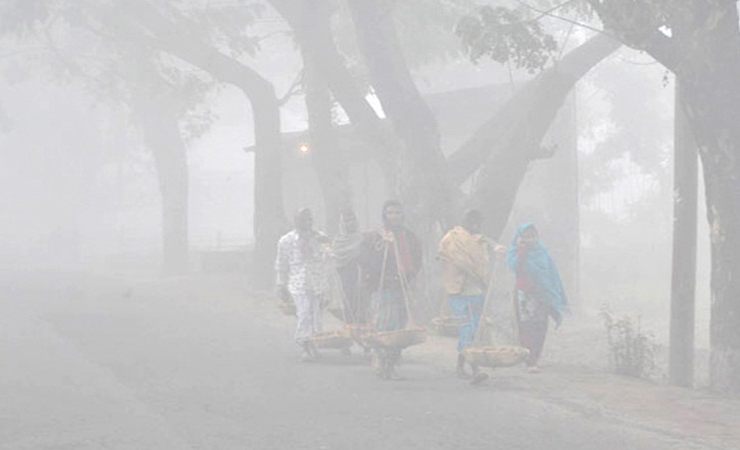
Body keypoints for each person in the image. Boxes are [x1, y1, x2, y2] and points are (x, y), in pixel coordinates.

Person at [361, 200, 422, 380]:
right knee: (384, 325)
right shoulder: (376, 237)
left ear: (403, 215)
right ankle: (380, 359)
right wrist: (385, 248)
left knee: (398, 329)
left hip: (402, 285)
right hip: (382, 286)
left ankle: (392, 363)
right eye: (390, 213)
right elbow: (367, 260)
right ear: (384, 215)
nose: (394, 216)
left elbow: (417, 259)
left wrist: (408, 277)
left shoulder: (409, 237)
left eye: (397, 213)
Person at [438, 209, 496, 383]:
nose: (474, 225)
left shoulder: (480, 242)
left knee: (475, 332)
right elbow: (445, 254)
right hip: (459, 292)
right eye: (471, 221)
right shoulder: (453, 238)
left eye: (477, 222)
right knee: (467, 331)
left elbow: (482, 265)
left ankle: (462, 366)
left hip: (476, 292)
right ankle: (474, 368)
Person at [507, 223, 568, 373]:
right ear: (520, 238)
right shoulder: (516, 252)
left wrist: (553, 294)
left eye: (533, 236)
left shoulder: (543, 253)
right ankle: (529, 359)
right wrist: (521, 250)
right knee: (527, 327)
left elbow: (551, 275)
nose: (531, 240)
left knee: (541, 327)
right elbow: (516, 267)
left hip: (542, 295)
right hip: (525, 295)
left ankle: (535, 358)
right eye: (527, 236)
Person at [276, 208, 331, 362]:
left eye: (309, 219)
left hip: (318, 282)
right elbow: (282, 264)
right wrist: (281, 285)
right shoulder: (286, 241)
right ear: (295, 221)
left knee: (316, 315)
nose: (307, 223)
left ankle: (315, 343)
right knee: (304, 313)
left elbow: (329, 257)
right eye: (303, 219)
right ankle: (305, 344)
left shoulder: (321, 237)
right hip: (298, 283)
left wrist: (326, 246)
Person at [332, 210, 368, 325]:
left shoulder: (364, 238)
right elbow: (336, 259)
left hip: (362, 275)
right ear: (342, 224)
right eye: (346, 221)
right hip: (345, 275)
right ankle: (352, 325)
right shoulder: (338, 241)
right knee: (348, 300)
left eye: (353, 220)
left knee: (362, 300)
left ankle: (363, 324)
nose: (350, 223)